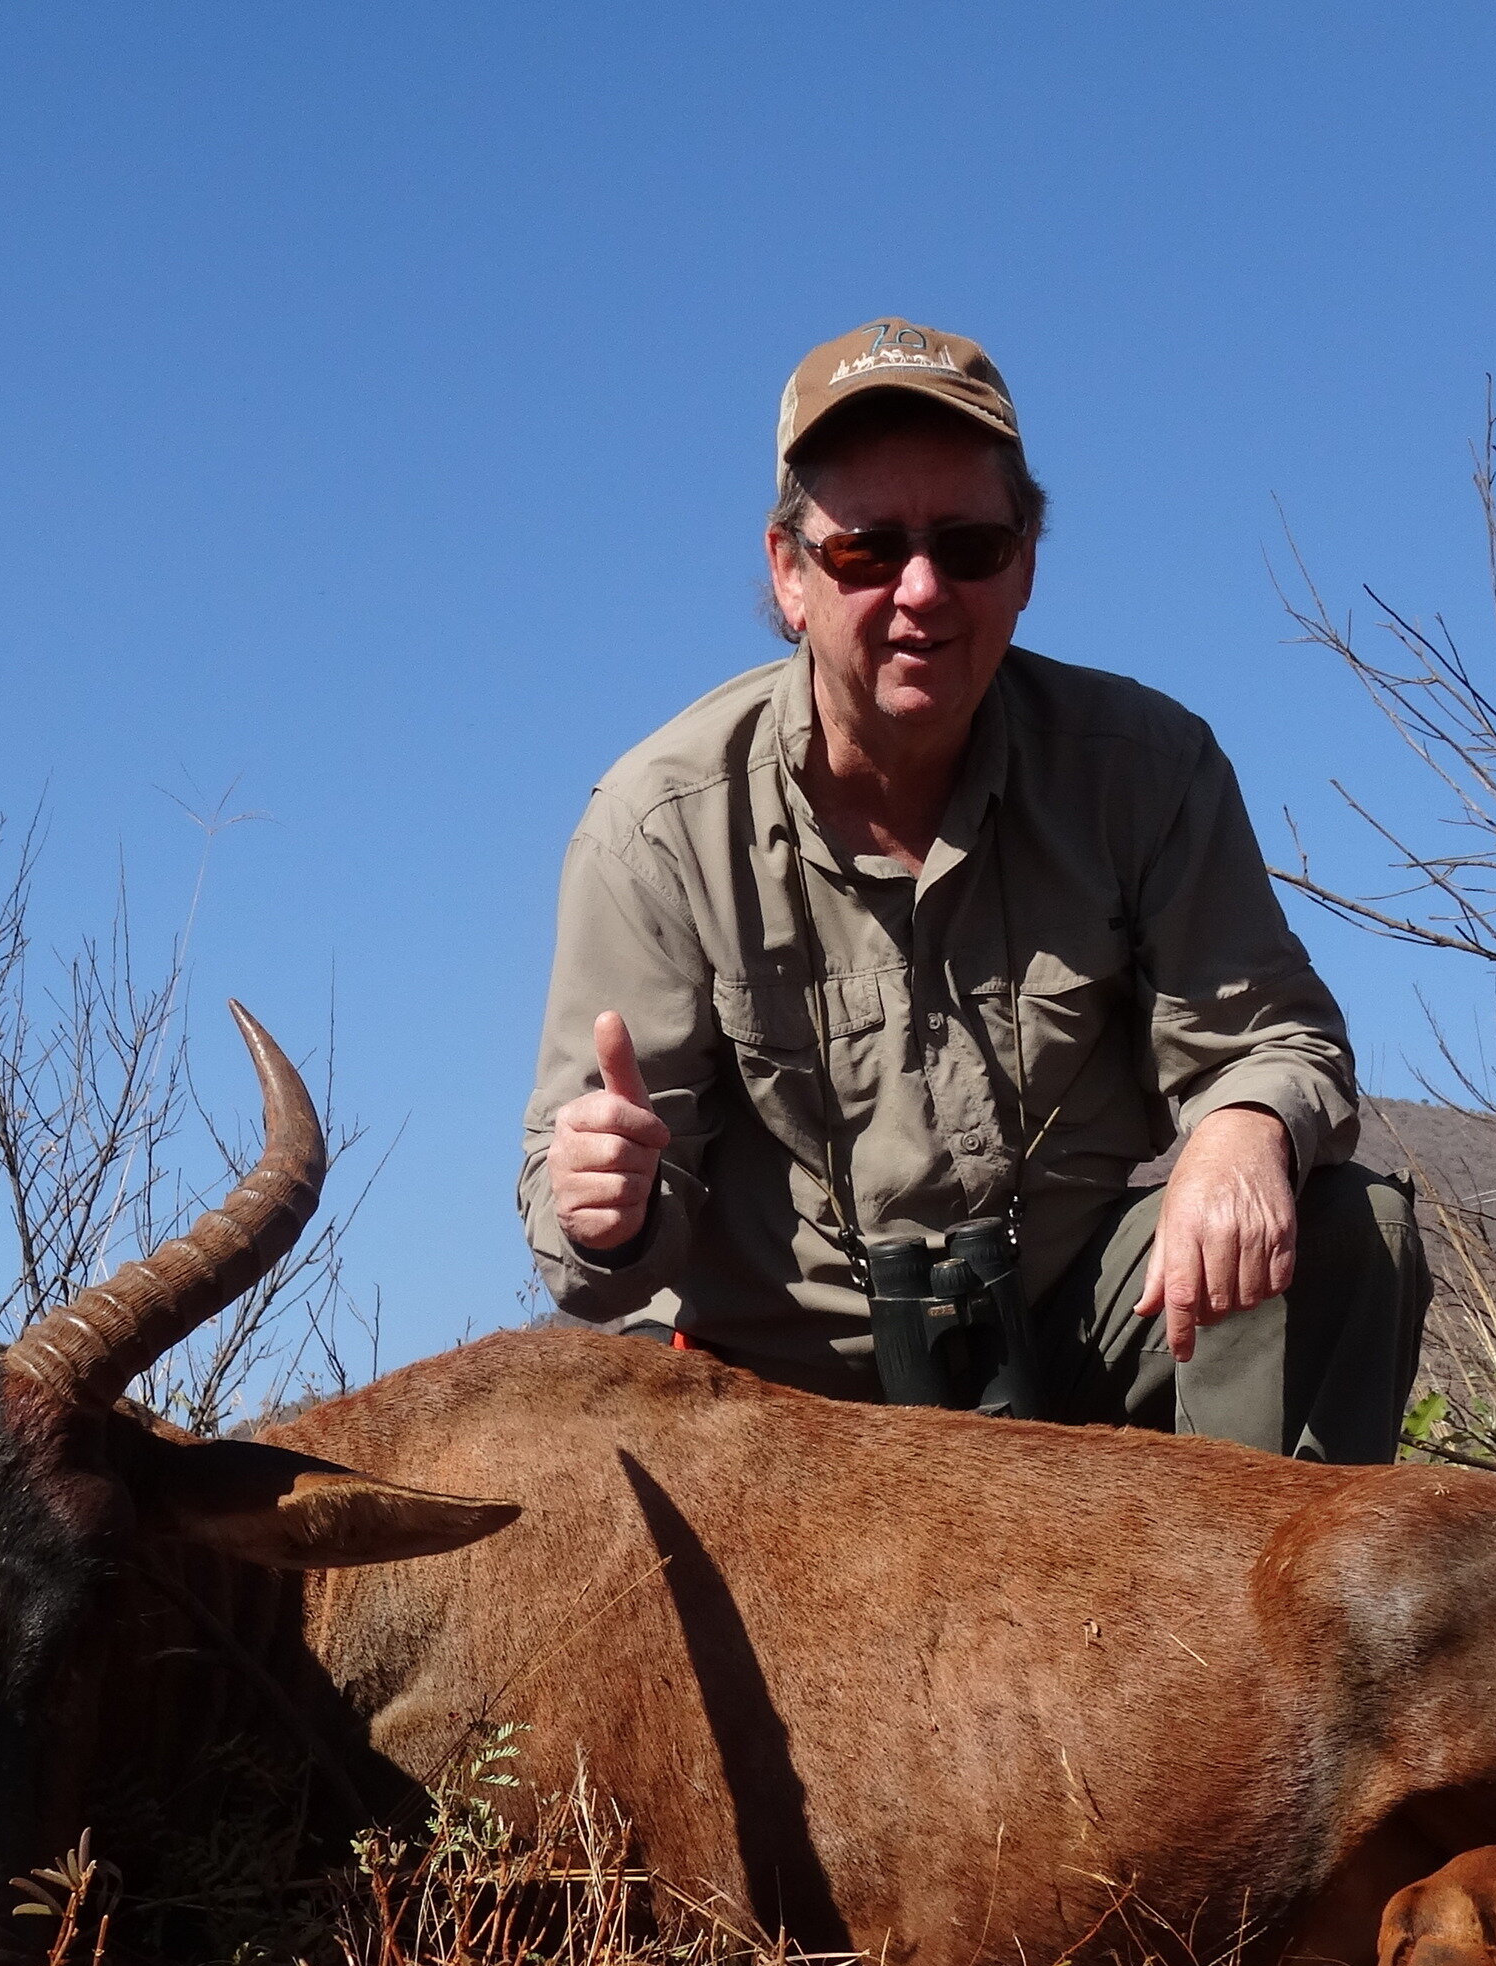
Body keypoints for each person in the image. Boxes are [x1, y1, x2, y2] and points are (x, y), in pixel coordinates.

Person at [517, 316, 1427, 1460]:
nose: (921, 590)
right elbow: (584, 1249)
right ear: (789, 574)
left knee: (1353, 1235)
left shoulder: (1146, 769)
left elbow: (1275, 1038)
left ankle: (1270, 1627)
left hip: (1072, 1335)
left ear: (1028, 563)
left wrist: (1245, 1127)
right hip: (782, 1397)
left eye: (970, 547)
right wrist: (608, 1211)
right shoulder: (654, 825)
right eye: (866, 550)